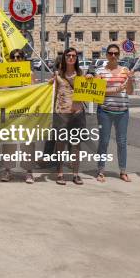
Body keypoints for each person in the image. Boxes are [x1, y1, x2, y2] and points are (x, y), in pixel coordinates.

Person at [49, 47, 92, 185]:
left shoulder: (82, 74)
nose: (71, 58)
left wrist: (92, 79)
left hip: (77, 114)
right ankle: (60, 173)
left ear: (76, 58)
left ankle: (75, 174)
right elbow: (50, 93)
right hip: (61, 114)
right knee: (60, 144)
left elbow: (92, 89)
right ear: (64, 57)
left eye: (74, 56)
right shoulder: (57, 75)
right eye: (69, 55)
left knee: (76, 145)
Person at [95, 44, 134, 183]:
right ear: (106, 55)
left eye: (116, 53)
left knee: (122, 142)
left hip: (122, 111)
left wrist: (131, 80)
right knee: (103, 142)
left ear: (119, 55)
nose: (113, 56)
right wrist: (116, 90)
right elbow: (98, 92)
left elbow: (129, 92)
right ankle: (100, 171)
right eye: (110, 53)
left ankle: (123, 171)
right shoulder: (100, 71)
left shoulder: (125, 70)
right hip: (104, 111)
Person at [0, 49, 35, 183]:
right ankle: (8, 171)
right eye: (13, 57)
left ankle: (29, 172)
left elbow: (35, 91)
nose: (16, 59)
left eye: (19, 57)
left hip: (26, 112)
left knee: (28, 142)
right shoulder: (5, 73)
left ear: (23, 58)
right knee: (8, 142)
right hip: (9, 112)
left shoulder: (30, 73)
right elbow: (0, 91)